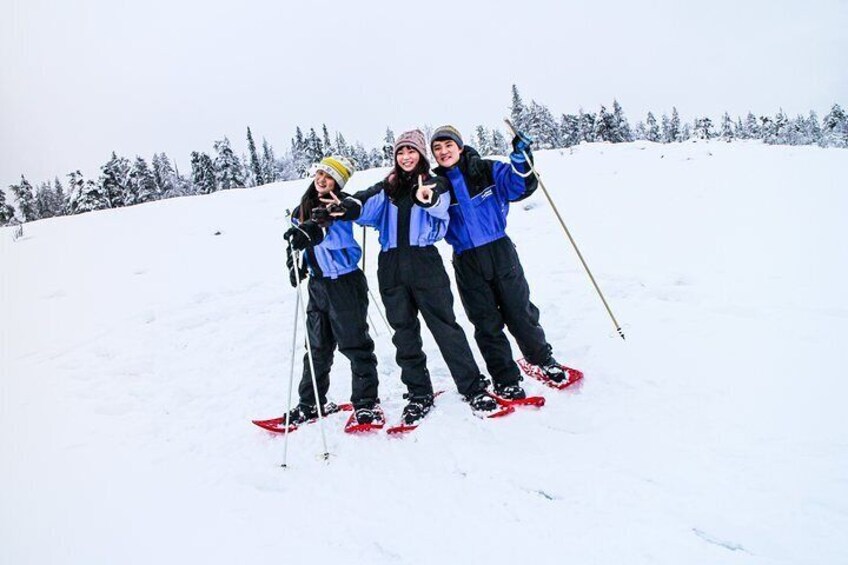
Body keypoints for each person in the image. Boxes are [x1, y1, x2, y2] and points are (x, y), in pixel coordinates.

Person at [327, 129, 499, 425]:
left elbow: (439, 200)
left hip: (424, 262)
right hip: (391, 265)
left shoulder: (435, 182)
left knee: (445, 326)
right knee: (403, 332)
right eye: (401, 152)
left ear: (421, 155)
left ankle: (472, 387)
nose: (406, 157)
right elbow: (364, 203)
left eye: (412, 151)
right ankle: (419, 393)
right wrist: (347, 207)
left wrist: (427, 197)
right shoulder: (387, 187)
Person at [429, 125, 573, 399]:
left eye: (448, 145)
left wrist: (521, 157)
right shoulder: (440, 185)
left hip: (500, 251)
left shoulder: (485, 169)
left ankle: (542, 358)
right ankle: (505, 377)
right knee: (485, 322)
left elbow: (518, 185)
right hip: (466, 259)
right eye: (437, 148)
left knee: (520, 311)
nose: (443, 152)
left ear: (460, 146)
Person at [282, 156, 381, 427]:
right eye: (320, 173)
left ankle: (366, 403)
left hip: (345, 283)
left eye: (330, 176)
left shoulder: (343, 206)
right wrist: (295, 261)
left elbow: (332, 236)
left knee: (355, 345)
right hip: (318, 285)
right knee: (316, 348)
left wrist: (311, 234)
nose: (322, 179)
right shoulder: (301, 209)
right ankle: (310, 403)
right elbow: (298, 240)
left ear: (338, 182)